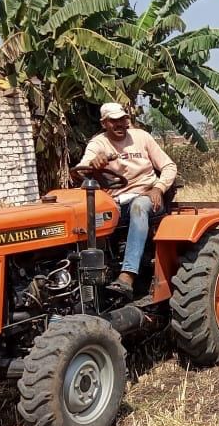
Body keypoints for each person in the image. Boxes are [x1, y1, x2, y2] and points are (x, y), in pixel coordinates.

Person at [76, 102, 177, 298]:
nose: (120, 124)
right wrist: (93, 164)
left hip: (148, 197)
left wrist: (159, 188)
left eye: (122, 119)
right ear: (104, 123)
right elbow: (82, 168)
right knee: (85, 216)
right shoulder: (98, 144)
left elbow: (169, 166)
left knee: (138, 206)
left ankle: (128, 275)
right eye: (114, 121)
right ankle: (89, 278)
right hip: (115, 201)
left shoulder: (141, 137)